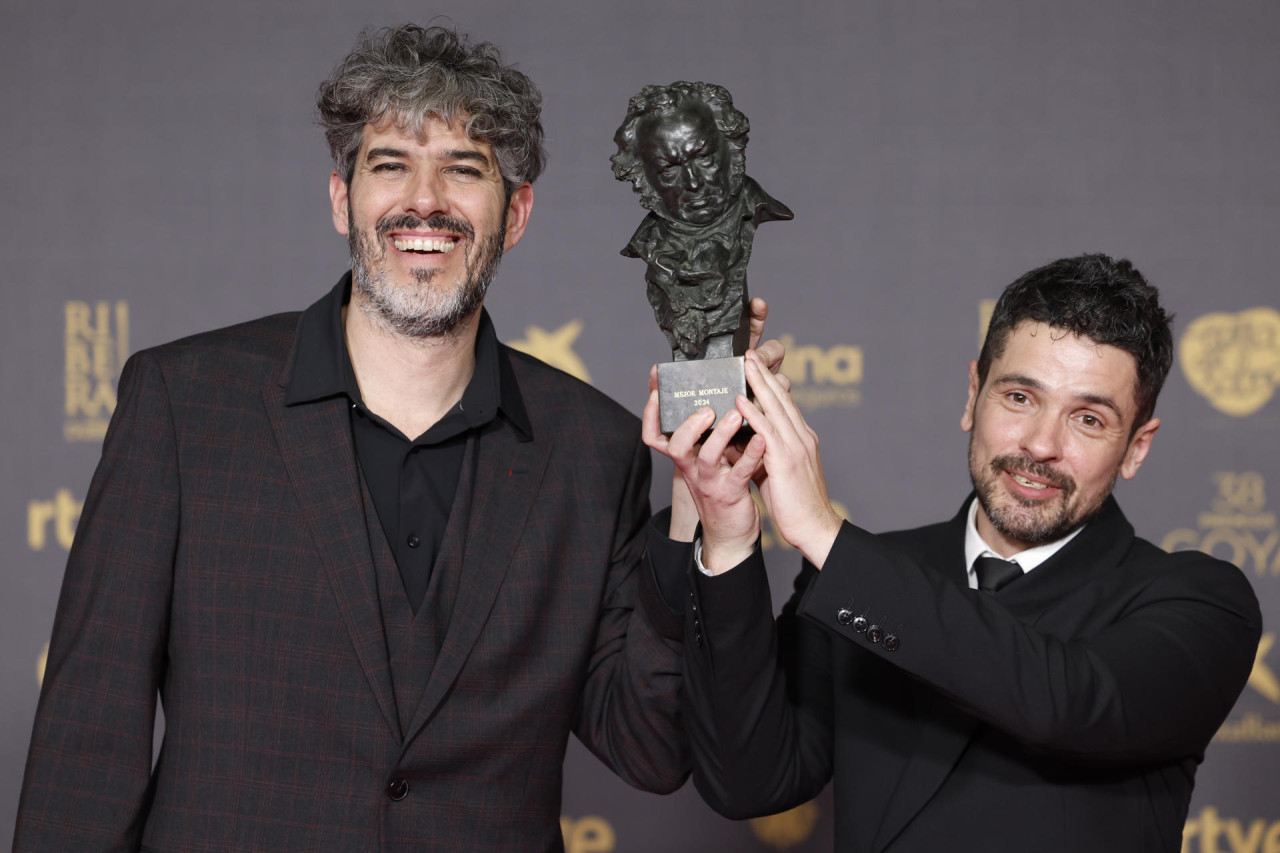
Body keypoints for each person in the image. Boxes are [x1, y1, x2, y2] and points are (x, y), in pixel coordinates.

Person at [14, 25, 693, 852]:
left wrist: (694, 515)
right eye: (390, 163)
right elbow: (86, 751)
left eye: (464, 167)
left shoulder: (594, 448)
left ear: (514, 214)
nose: (426, 200)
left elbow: (652, 747)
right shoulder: (183, 406)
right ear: (342, 198)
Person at [646, 254, 1262, 851]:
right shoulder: (860, 578)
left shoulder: (1202, 601)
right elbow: (747, 781)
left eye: (1089, 419)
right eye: (1020, 398)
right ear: (973, 395)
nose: (1041, 445)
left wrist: (825, 533)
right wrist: (727, 533)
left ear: (1136, 447)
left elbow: (1066, 701)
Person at [611, 81, 791, 361]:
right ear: (643, 177)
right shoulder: (651, 246)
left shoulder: (753, 207)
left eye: (704, 157)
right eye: (669, 169)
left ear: (731, 149)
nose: (693, 183)